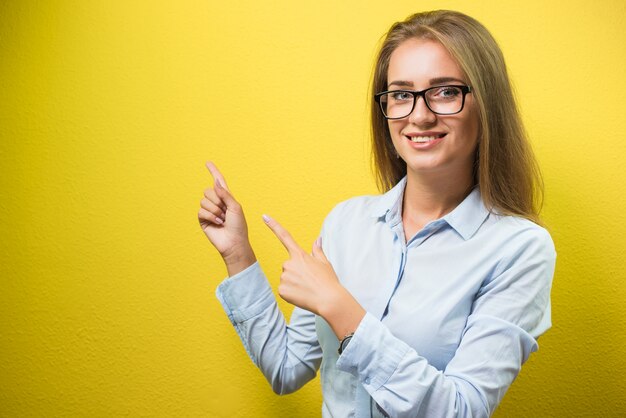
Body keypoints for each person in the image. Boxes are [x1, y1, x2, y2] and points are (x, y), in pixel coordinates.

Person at [198, 10, 556, 418]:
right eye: (402, 94)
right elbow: (286, 368)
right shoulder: (346, 223)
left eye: (444, 91)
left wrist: (340, 308)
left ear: (485, 103)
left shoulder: (520, 249)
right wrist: (237, 254)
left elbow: (462, 409)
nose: (419, 116)